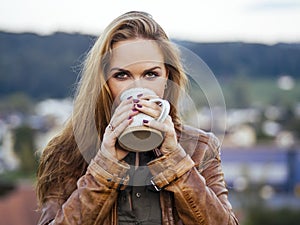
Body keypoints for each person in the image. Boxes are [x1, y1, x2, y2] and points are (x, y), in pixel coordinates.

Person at [36, 11, 239, 225]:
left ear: (167, 77)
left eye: (151, 74)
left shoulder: (200, 148)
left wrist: (176, 162)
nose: (139, 89)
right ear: (103, 83)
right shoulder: (66, 153)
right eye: (122, 75)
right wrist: (104, 167)